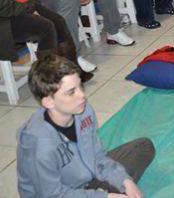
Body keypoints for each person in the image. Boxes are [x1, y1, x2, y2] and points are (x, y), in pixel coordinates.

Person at [17, 54, 155, 197]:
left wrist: (125, 181)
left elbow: (98, 157)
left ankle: (101, 189)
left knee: (143, 147)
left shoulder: (84, 111)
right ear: (48, 102)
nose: (82, 95)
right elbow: (52, 194)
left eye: (80, 86)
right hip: (58, 194)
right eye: (71, 92)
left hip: (86, 180)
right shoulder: (38, 145)